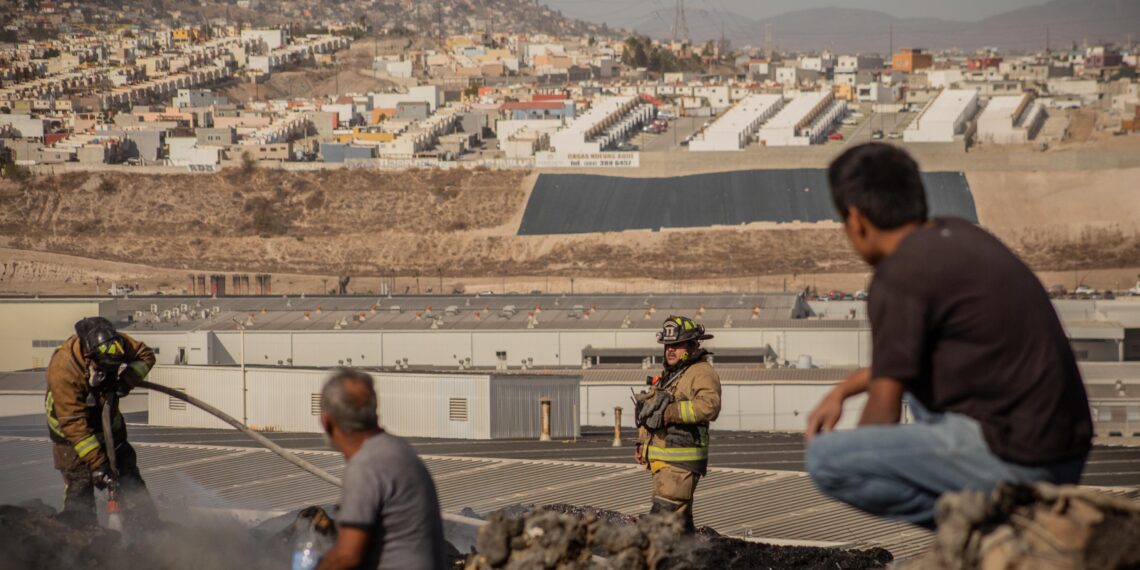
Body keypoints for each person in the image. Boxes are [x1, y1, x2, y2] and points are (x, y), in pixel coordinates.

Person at [804, 143, 1092, 529]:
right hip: (1066, 452)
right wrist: (843, 390)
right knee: (922, 393)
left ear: (856, 220)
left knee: (826, 460)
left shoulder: (899, 275)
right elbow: (905, 362)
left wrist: (865, 452)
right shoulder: (959, 235)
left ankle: (991, 530)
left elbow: (884, 412)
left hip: (1020, 460)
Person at [316, 369, 445, 570]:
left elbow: (347, 556)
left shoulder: (365, 466)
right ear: (374, 412)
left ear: (327, 421)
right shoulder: (399, 450)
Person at [45, 316, 158, 524]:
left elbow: (146, 356)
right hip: (70, 434)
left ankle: (147, 527)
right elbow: (73, 424)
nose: (105, 374)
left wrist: (125, 382)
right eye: (101, 369)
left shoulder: (115, 343)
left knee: (128, 475)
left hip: (107, 423)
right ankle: (79, 535)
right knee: (81, 481)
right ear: (89, 357)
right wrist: (99, 465)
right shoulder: (64, 370)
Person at [634, 315, 722, 532]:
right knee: (680, 531)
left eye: (677, 345)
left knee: (657, 527)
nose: (670, 350)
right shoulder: (672, 374)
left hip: (680, 466)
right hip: (664, 467)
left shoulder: (701, 372)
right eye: (667, 346)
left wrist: (672, 412)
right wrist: (641, 444)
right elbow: (654, 413)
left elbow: (709, 406)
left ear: (693, 346)